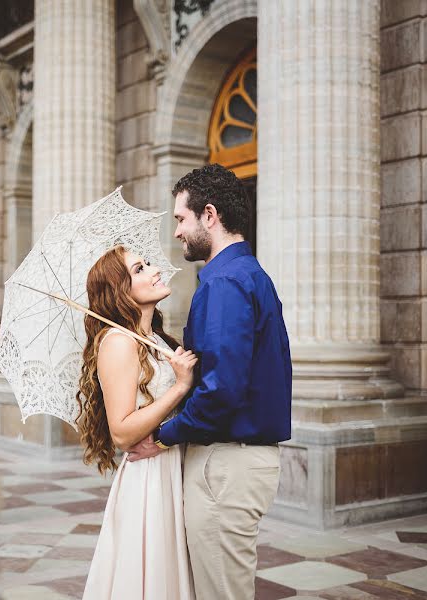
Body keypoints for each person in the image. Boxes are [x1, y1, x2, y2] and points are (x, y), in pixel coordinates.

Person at [126, 163, 292, 600]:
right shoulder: (248, 276)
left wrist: (161, 437)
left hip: (226, 464)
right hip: (235, 462)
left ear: (210, 215)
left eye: (181, 218)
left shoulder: (224, 282)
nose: (178, 232)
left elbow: (221, 388)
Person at [77, 245, 197, 600]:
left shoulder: (155, 339)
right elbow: (122, 432)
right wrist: (180, 387)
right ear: (121, 291)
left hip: (173, 463)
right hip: (150, 476)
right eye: (140, 269)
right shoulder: (118, 342)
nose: (155, 270)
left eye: (148, 263)